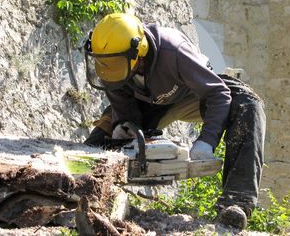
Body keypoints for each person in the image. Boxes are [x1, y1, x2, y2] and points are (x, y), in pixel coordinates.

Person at [83, 13, 266, 230]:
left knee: (248, 105)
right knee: (101, 136)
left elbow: (217, 94)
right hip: (150, 101)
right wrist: (124, 124)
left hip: (193, 92)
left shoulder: (173, 51)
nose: (107, 69)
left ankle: (236, 201)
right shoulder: (112, 59)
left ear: (138, 52)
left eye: (114, 63)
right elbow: (120, 101)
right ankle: (80, 190)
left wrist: (207, 141)